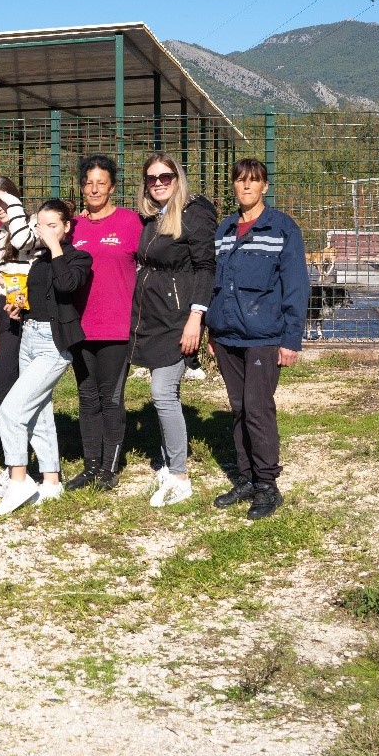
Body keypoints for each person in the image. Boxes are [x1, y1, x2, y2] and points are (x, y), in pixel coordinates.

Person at [206, 158, 308, 521]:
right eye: (240, 180)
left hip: (264, 336)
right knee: (239, 407)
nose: (246, 186)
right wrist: (213, 329)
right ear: (233, 185)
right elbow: (215, 284)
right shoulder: (224, 230)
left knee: (257, 407)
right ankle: (246, 478)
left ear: (265, 186)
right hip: (227, 334)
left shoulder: (281, 228)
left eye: (254, 181)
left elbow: (296, 286)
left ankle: (267, 485)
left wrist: (291, 339)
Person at [0, 199, 92, 514]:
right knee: (39, 411)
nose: (45, 231)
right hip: (29, 337)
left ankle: (18, 481)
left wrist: (55, 246)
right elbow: (36, 298)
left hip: (53, 344)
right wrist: (18, 307)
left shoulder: (78, 257)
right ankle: (51, 480)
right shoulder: (38, 261)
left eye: (53, 225)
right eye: (41, 225)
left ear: (67, 227)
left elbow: (66, 285)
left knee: (11, 410)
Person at [131, 154, 217, 509]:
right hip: (153, 315)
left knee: (162, 391)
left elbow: (206, 267)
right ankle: (170, 462)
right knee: (165, 392)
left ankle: (179, 477)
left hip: (179, 317)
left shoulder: (194, 214)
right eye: (152, 178)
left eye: (165, 176)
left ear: (178, 178)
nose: (159, 183)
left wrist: (196, 317)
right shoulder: (152, 217)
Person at [67, 154, 143, 491]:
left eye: (101, 183)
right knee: (87, 397)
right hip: (81, 326)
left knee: (110, 398)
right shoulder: (73, 226)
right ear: (82, 188)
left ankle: (109, 469)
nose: (95, 189)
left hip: (116, 327)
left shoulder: (130, 222)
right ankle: (90, 466)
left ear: (112, 187)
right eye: (88, 183)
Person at [0, 176, 36, 485]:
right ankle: (12, 463)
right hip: (0, 315)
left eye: (2, 201)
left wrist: (12, 203)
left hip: (22, 317)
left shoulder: (31, 226)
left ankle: (19, 465)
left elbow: (23, 243)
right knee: (1, 390)